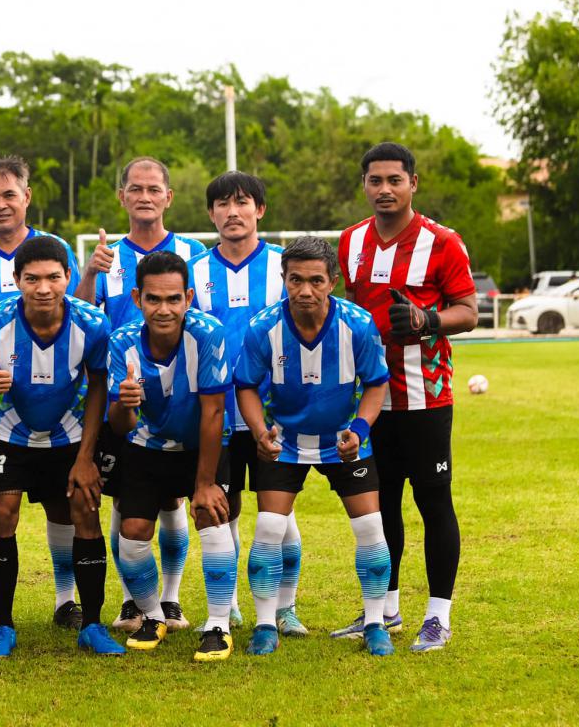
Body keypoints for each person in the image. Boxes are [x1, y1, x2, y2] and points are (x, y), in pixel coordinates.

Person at [333, 142, 477, 651]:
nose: (385, 189)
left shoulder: (442, 242)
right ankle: (385, 609)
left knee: (434, 502)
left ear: (413, 183)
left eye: (395, 180)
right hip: (371, 400)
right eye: (375, 180)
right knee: (381, 504)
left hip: (425, 397)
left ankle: (438, 617)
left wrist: (425, 319)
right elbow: (350, 309)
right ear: (364, 185)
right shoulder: (350, 241)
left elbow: (468, 311)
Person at [233, 237, 394, 657]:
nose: (305, 290)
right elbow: (245, 385)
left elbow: (376, 383)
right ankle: (265, 624)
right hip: (284, 442)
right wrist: (259, 431)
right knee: (269, 527)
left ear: (332, 281)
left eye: (316, 281)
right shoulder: (263, 327)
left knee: (370, 528)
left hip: (344, 441)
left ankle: (375, 623)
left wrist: (359, 428)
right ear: (284, 279)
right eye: (296, 280)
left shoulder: (358, 325)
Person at [0, 236, 124, 659]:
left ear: (68, 277)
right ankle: (3, 624)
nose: (43, 288)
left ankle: (91, 624)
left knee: (84, 512)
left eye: (53, 277)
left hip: (70, 435)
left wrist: (86, 457)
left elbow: (98, 387)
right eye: (32, 279)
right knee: (3, 513)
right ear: (16, 279)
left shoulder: (92, 322)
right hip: (10, 434)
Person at [0, 156, 83, 631]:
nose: (0, 204)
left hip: (57, 407)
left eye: (9, 194)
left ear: (27, 196)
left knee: (61, 502)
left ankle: (67, 600)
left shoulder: (54, 249)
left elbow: (77, 318)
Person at [74, 156, 206, 633]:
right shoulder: (106, 259)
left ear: (168, 197)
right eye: (135, 188)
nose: (144, 196)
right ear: (122, 197)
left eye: (153, 189)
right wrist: (89, 274)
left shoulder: (194, 254)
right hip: (121, 395)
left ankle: (170, 598)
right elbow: (80, 317)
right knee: (125, 501)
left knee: (172, 502)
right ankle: (133, 600)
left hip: (179, 396)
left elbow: (203, 323)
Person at [106, 251, 237, 660]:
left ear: (189, 298)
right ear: (137, 298)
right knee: (132, 535)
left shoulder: (209, 334)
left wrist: (204, 482)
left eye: (174, 299)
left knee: (211, 515)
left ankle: (218, 624)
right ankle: (152, 615)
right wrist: (125, 402)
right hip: (147, 446)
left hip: (202, 445)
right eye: (153, 299)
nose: (164, 309)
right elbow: (121, 425)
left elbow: (214, 411)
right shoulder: (121, 342)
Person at [188, 171, 302, 635]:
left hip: (276, 414)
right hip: (214, 414)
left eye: (242, 202)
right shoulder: (194, 269)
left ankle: (286, 607)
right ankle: (229, 604)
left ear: (260, 210)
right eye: (222, 204)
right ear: (210, 213)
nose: (232, 212)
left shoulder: (283, 265)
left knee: (280, 512)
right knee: (223, 507)